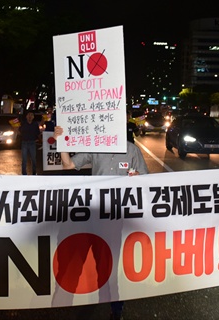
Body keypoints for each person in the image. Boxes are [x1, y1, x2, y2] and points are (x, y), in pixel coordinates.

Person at [53, 125, 148, 320]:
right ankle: (65, 301)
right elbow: (68, 164)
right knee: (77, 262)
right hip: (92, 215)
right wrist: (61, 142)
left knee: (110, 267)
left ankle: (116, 309)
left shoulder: (132, 150)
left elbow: (146, 181)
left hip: (115, 218)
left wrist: (138, 179)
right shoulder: (96, 147)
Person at [19, 111, 43, 175]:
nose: (30, 116)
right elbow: (19, 132)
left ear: (33, 117)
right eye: (28, 115)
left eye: (31, 115)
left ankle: (34, 172)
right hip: (24, 142)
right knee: (24, 159)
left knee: (33, 159)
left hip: (32, 143)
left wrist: (41, 140)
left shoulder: (35, 124)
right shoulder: (23, 123)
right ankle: (24, 173)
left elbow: (37, 133)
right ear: (26, 116)